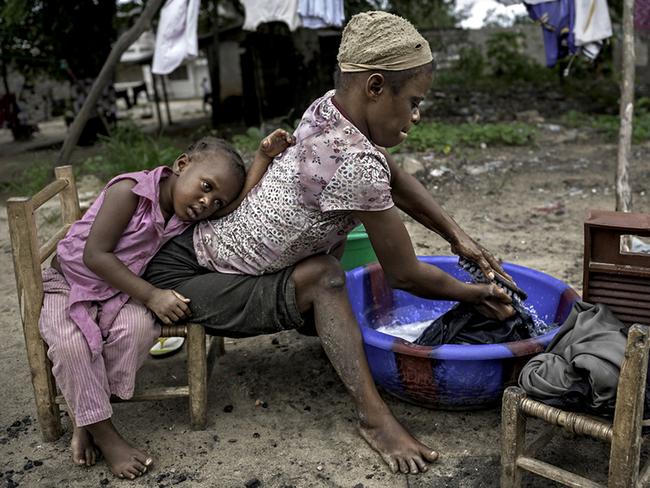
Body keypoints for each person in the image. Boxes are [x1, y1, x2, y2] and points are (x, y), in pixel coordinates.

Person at [145, 11, 515, 475]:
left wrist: (461, 239)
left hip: (205, 251)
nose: (416, 116)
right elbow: (403, 274)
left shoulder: (328, 108)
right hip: (189, 279)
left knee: (327, 254)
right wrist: (472, 293)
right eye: (414, 102)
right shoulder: (353, 164)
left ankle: (320, 327)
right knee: (326, 277)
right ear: (375, 87)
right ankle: (374, 418)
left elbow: (393, 176)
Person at [38, 130, 295, 480]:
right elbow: (95, 255)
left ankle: (88, 418)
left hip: (115, 293)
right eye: (205, 187)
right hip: (69, 285)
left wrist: (263, 158)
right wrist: (152, 295)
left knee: (140, 328)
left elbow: (236, 203)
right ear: (182, 164)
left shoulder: (184, 213)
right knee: (70, 346)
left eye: (215, 202)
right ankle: (107, 436)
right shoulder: (128, 192)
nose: (207, 203)